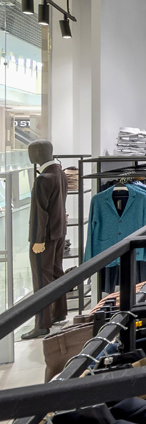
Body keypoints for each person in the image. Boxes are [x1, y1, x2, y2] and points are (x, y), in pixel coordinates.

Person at [24, 139, 67, 339]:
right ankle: (59, 312)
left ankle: (42, 324)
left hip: (45, 236)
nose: (29, 155)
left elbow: (39, 213)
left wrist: (38, 239)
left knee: (41, 279)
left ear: (38, 154)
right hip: (59, 232)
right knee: (57, 273)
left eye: (31, 152)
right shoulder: (60, 173)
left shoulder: (43, 178)